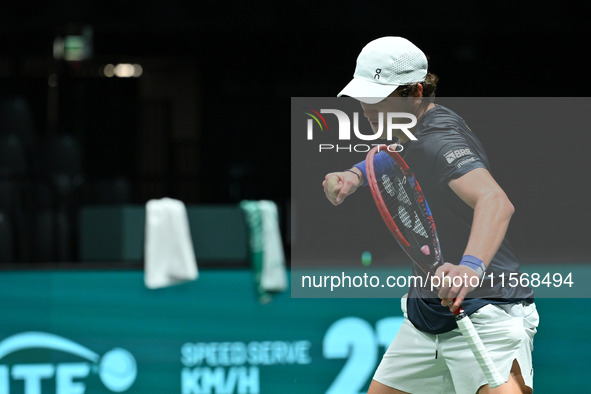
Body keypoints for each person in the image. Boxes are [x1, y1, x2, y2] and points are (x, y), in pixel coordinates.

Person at [322, 36, 539, 394]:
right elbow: (396, 155)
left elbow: (495, 202)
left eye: (378, 97)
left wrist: (469, 267)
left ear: (416, 92)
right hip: (429, 315)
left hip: (485, 312)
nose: (366, 106)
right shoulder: (412, 124)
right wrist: (355, 175)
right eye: (364, 94)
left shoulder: (442, 140)